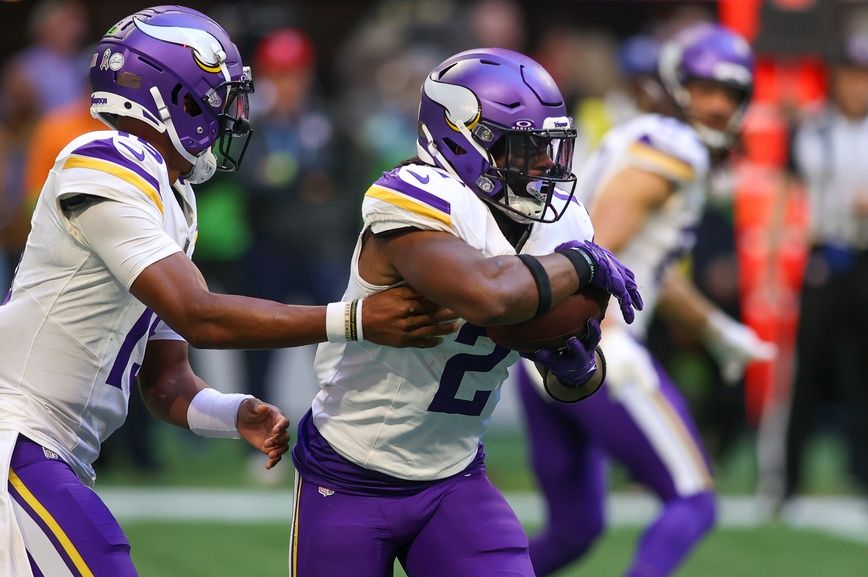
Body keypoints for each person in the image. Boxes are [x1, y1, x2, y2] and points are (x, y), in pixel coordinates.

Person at [0, 7, 457, 577]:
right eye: (216, 96)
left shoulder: (173, 197)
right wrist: (355, 319)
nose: (230, 113)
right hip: (16, 434)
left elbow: (164, 381)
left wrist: (231, 412)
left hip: (48, 448)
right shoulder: (105, 161)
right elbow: (201, 315)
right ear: (172, 98)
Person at [288, 47, 643, 577]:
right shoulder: (412, 195)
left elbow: (572, 384)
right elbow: (488, 295)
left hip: (454, 476)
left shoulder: (563, 223)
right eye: (526, 149)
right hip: (348, 474)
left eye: (552, 149)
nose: (546, 166)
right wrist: (583, 261)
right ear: (462, 140)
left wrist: (575, 368)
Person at [516, 23, 775, 577]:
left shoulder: (641, 134)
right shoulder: (677, 151)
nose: (715, 105)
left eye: (728, 95)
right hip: (595, 351)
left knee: (574, 530)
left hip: (545, 352)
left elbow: (643, 265)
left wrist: (715, 330)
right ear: (679, 86)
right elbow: (589, 252)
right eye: (705, 89)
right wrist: (589, 325)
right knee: (695, 501)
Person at [759, 28, 868, 511]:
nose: (856, 86)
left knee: (861, 374)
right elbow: (784, 197)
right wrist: (769, 269)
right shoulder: (811, 128)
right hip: (823, 257)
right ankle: (786, 480)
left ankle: (861, 472)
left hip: (864, 257)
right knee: (803, 373)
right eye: (850, 75)